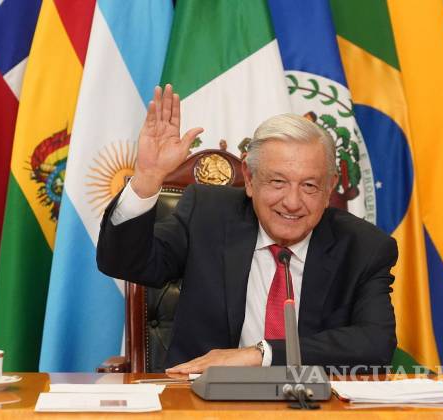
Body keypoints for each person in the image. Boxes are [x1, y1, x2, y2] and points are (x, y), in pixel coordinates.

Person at [97, 84, 398, 374]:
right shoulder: (207, 214)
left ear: (330, 187)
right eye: (277, 182)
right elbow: (124, 263)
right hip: (199, 398)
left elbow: (376, 344)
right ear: (250, 179)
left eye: (309, 185)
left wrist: (261, 354)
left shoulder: (364, 247)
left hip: (308, 400)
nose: (292, 202)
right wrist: (148, 177)